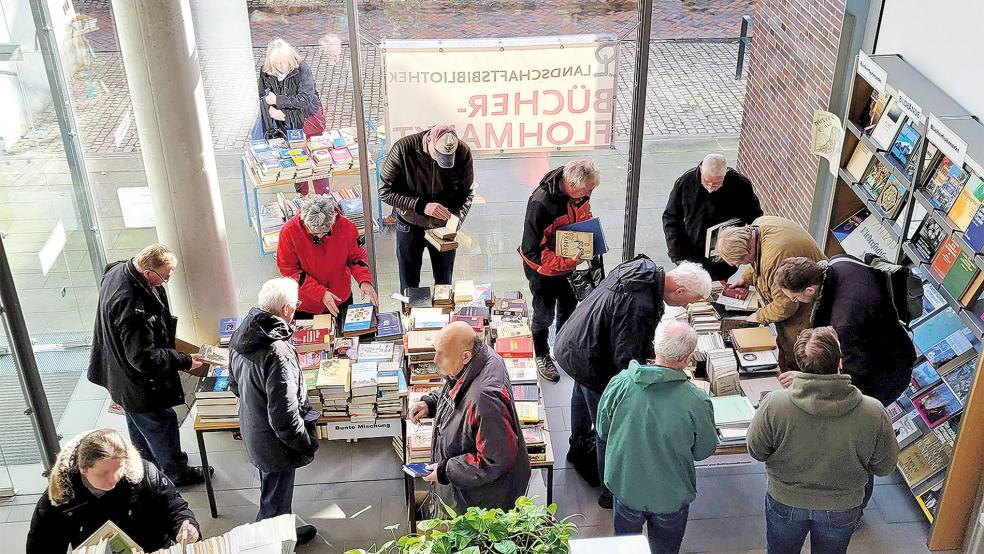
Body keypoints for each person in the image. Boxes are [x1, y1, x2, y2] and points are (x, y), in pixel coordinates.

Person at [553, 257, 711, 508]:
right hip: (591, 358)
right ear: (679, 290)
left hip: (575, 342)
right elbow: (625, 357)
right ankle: (608, 493)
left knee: (580, 396)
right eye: (688, 300)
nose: (686, 305)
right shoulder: (640, 303)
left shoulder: (644, 267)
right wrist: (654, 372)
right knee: (608, 426)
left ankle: (576, 447)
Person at [747, 327, 899, 554]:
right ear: (839, 362)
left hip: (786, 499)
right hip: (842, 505)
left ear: (800, 364)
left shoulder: (774, 404)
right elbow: (885, 466)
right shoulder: (873, 411)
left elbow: (757, 450)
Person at [87, 244, 210, 486]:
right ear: (147, 272)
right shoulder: (133, 307)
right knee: (160, 423)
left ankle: (145, 468)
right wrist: (184, 360)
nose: (166, 280)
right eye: (164, 275)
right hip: (138, 383)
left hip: (120, 376)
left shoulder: (117, 270)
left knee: (138, 422)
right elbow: (143, 358)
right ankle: (177, 472)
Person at [598, 321, 718, 554]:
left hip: (626, 487)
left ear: (655, 346)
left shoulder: (621, 382)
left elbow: (603, 430)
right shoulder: (696, 400)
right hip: (670, 495)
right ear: (688, 358)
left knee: (624, 547)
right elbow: (703, 451)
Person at [228, 278, 319, 545]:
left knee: (273, 488)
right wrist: (304, 443)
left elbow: (235, 384)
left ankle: (283, 533)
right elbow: (284, 414)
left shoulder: (243, 332)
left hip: (254, 428)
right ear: (288, 310)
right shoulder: (277, 351)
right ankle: (267, 543)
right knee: (274, 499)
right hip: (274, 441)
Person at [407, 322, 531, 517]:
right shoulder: (481, 357)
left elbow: (494, 460)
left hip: (482, 502)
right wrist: (432, 403)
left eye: (442, 354)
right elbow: (457, 389)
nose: (435, 359)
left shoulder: (484, 400)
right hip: (472, 490)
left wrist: (445, 471)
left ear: (465, 356)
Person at [26, 428, 199, 553]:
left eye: (119, 469)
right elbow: (41, 547)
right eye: (104, 473)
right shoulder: (60, 499)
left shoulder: (143, 474)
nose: (114, 479)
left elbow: (175, 508)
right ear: (82, 469)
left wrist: (186, 526)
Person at [774, 255, 916, 405]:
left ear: (810, 290)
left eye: (795, 298)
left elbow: (849, 379)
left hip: (884, 375)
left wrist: (808, 380)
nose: (794, 300)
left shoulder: (843, 325)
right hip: (893, 343)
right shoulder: (839, 262)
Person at [519, 159, 600, 382]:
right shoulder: (541, 204)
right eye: (587, 190)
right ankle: (542, 354)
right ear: (571, 185)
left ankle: (564, 348)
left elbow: (583, 214)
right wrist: (567, 263)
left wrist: (588, 234)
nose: (590, 194)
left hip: (569, 263)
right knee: (543, 313)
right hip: (543, 271)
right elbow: (532, 250)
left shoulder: (579, 194)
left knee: (569, 307)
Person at [715, 216, 825, 372]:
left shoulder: (775, 259)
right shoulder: (758, 226)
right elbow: (757, 261)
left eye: (741, 262)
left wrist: (759, 316)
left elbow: (785, 306)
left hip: (806, 305)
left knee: (798, 353)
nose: (741, 265)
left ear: (747, 251)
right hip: (803, 288)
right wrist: (746, 278)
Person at [379, 125, 475, 293]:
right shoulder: (403, 148)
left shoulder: (463, 152)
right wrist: (421, 205)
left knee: (444, 286)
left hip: (443, 228)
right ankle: (410, 316)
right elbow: (385, 192)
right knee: (409, 285)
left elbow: (466, 193)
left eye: (447, 158)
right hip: (409, 225)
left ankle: (444, 317)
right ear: (429, 140)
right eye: (438, 155)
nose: (441, 161)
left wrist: (454, 222)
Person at [277, 194, 378, 321]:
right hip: (305, 306)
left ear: (333, 221)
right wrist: (320, 293)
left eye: (326, 232)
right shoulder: (288, 232)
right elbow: (289, 271)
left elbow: (356, 257)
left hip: (340, 299)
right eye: (314, 234)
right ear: (304, 222)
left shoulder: (346, 226)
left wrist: (364, 280)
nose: (320, 237)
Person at [662, 154, 763, 280]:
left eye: (716, 184)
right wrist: (676, 253)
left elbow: (755, 216)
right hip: (691, 251)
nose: (710, 188)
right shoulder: (685, 182)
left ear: (725, 174)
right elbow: (671, 217)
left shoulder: (740, 184)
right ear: (700, 170)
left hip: (724, 255)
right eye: (707, 181)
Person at [257, 38, 325, 138]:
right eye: (277, 63)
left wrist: (277, 100)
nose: (282, 66)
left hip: (306, 120)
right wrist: (270, 109)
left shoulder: (302, 69)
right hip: (282, 124)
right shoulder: (266, 71)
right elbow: (261, 95)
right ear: (271, 62)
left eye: (285, 61)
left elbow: (305, 100)